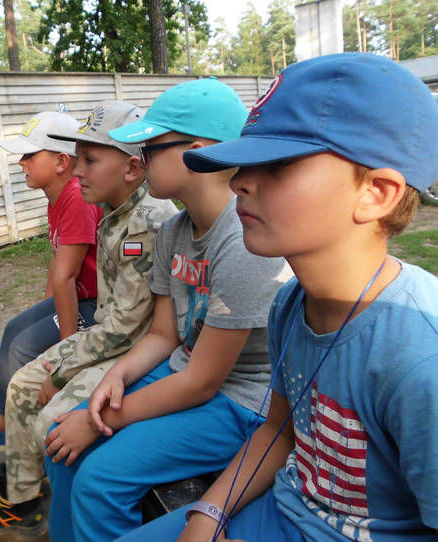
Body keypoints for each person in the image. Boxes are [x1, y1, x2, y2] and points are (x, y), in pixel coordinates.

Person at [120, 53, 438, 542]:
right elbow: (278, 432)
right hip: (283, 508)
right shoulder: (290, 304)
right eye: (246, 163)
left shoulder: (420, 360)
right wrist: (209, 513)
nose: (239, 181)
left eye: (279, 164)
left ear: (376, 192)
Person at [42, 78, 292, 542]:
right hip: (183, 371)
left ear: (197, 154)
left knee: (100, 480)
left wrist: (103, 419)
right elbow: (163, 335)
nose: (140, 160)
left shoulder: (242, 243)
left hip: (241, 402)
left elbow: (203, 382)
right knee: (60, 440)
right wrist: (117, 375)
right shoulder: (174, 231)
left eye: (150, 150)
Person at [0, 101, 178, 540]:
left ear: (132, 168)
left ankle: (68, 514)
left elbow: (125, 329)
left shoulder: (146, 221)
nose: (77, 171)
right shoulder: (114, 208)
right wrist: (62, 361)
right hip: (113, 337)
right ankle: (22, 502)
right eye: (77, 159)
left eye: (89, 160)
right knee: (21, 385)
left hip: (137, 350)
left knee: (50, 422)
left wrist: (62, 369)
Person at [0, 111, 102, 451]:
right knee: (15, 328)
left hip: (96, 305)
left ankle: (25, 439)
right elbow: (59, 262)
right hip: (78, 296)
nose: (21, 163)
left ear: (61, 161)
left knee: (23, 346)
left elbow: (67, 275)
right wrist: (43, 308)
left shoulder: (76, 197)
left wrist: (66, 352)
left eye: (30, 154)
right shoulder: (57, 197)